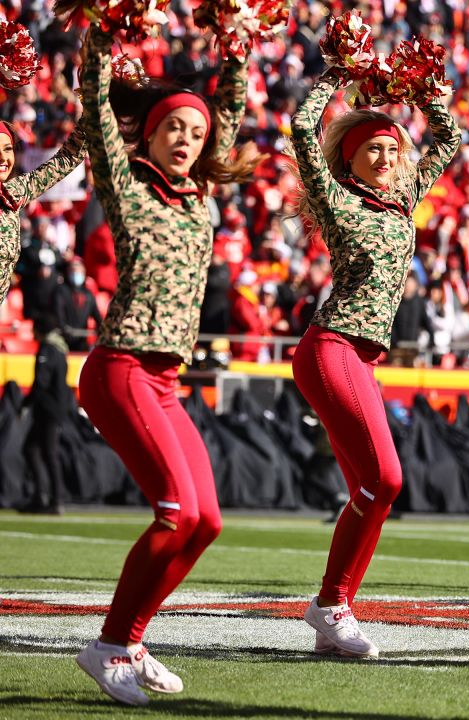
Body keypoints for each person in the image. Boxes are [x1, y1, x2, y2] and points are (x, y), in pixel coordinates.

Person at [71, 23, 256, 706]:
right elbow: (94, 113)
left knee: (206, 521)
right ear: (146, 136)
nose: (186, 139)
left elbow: (228, 112)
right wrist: (95, 38)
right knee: (175, 511)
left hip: (167, 383)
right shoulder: (129, 187)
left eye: (195, 132)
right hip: (120, 367)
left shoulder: (200, 194)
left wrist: (237, 44)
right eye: (172, 127)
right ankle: (110, 645)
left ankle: (134, 638)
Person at [290, 65, 460, 659]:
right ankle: (331, 605)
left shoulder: (405, 198)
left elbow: (453, 136)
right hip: (331, 346)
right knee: (385, 479)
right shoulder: (338, 200)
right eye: (373, 150)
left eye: (393, 149)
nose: (386, 158)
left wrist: (424, 92)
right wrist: (332, 74)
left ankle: (333, 611)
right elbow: (302, 126)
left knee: (372, 487)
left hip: (360, 359)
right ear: (352, 161)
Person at [0, 113, 84, 307]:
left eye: (8, 149)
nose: (3, 158)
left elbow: (67, 159)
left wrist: (93, 109)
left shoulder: (13, 193)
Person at [18, 313, 70, 515]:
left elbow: (42, 381)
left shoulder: (48, 349)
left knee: (46, 453)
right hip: (54, 408)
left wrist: (26, 404)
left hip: (48, 409)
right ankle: (44, 496)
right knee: (35, 450)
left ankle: (53, 499)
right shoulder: (60, 348)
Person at [56, 258, 104, 351]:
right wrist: (64, 329)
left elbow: (97, 316)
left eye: (79, 270)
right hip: (63, 341)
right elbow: (58, 315)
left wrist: (102, 328)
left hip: (82, 341)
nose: (76, 273)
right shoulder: (61, 291)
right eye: (73, 270)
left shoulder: (88, 295)